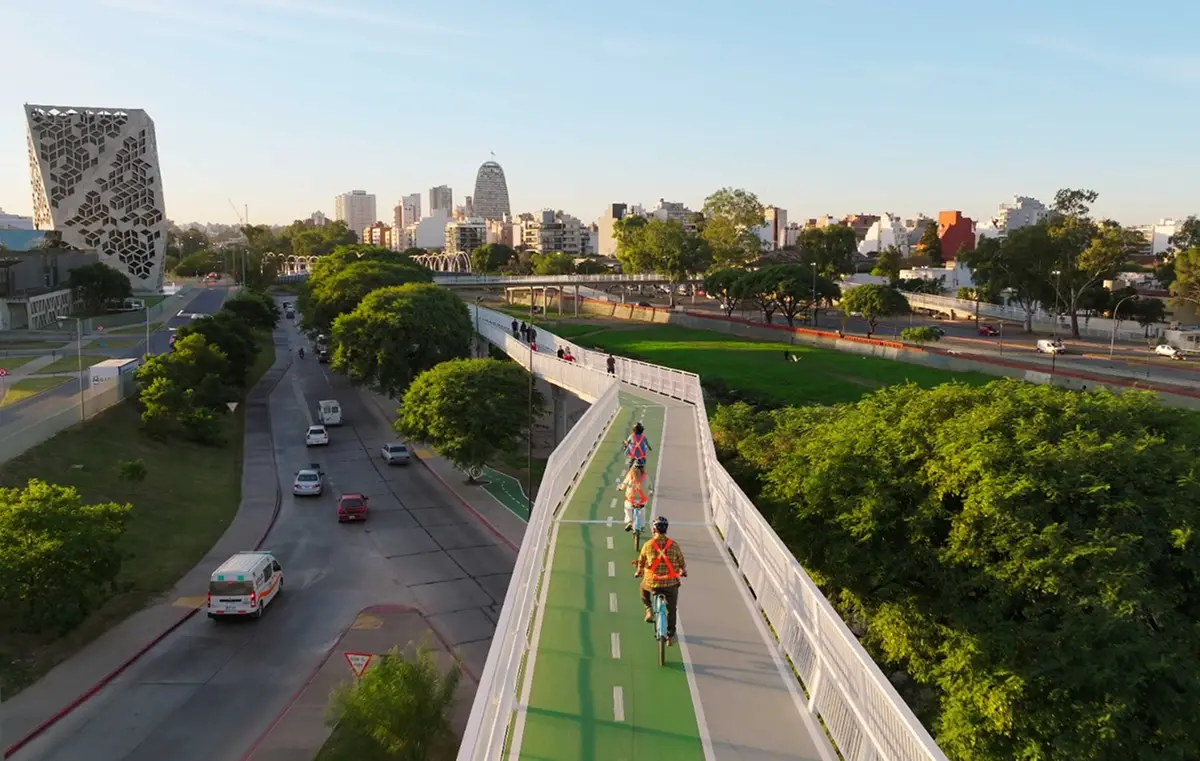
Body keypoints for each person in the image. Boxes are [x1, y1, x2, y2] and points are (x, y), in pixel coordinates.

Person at [633, 516, 687, 643]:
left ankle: (649, 609)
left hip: (652, 583)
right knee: (672, 609)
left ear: (654, 529)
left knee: (642, 587)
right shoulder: (674, 545)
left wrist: (639, 572)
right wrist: (683, 571)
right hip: (671, 584)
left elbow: (641, 562)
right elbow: (681, 562)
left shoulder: (648, 545)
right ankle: (671, 635)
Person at [618, 462, 649, 532]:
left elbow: (624, 484)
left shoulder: (630, 475)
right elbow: (650, 486)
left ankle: (629, 521)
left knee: (627, 508)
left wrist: (620, 488)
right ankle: (642, 526)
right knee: (642, 511)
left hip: (631, 500)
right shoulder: (645, 476)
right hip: (642, 500)